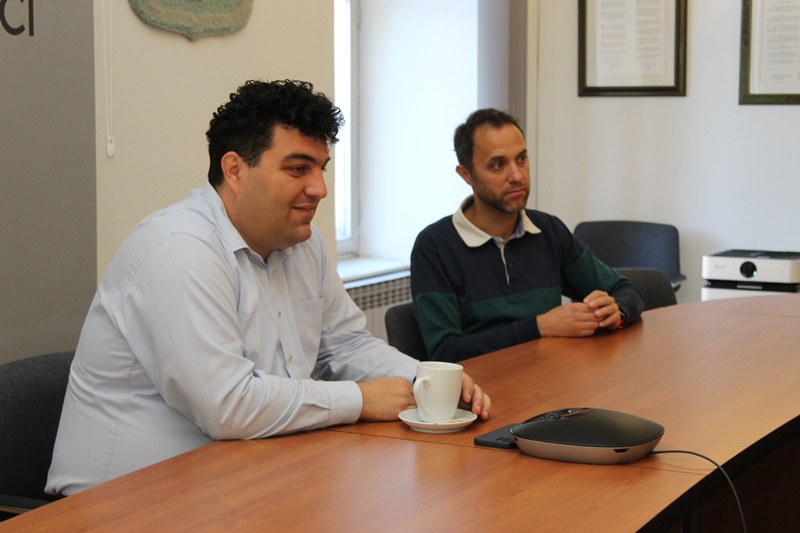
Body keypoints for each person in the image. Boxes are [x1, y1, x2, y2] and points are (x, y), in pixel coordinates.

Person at [47, 80, 490, 496]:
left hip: (240, 479)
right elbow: (228, 406)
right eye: (298, 169)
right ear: (235, 170)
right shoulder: (179, 248)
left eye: (321, 168)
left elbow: (345, 345)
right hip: (120, 503)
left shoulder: (302, 243)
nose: (319, 188)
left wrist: (424, 379)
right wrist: (359, 399)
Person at [410, 108, 644, 362]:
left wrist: (616, 311)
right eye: (498, 165)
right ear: (467, 175)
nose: (517, 176)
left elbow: (624, 290)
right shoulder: (434, 247)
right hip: (483, 384)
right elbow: (445, 352)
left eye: (521, 159)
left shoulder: (548, 230)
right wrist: (539, 327)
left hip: (551, 374)